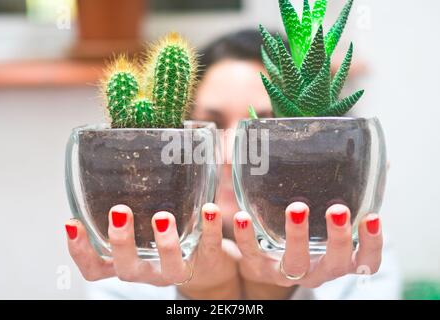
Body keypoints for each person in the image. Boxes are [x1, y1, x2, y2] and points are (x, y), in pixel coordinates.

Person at [64, 30, 401, 300]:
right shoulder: (131, 262)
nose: (229, 153)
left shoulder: (352, 260)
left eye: (264, 128)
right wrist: (209, 293)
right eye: (210, 125)